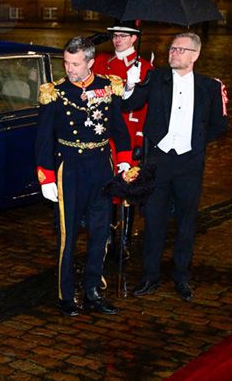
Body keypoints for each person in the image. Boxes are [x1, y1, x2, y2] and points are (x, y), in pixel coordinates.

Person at [124, 32, 228, 302]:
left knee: (186, 223)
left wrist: (194, 143)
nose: (173, 53)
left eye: (180, 50)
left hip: (189, 164)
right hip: (158, 161)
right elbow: (130, 104)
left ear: (195, 55)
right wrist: (131, 84)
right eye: (172, 49)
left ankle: (181, 277)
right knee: (154, 221)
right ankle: (150, 276)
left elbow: (220, 125)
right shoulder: (156, 78)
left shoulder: (210, 87)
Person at [35, 36, 132, 317]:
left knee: (100, 232)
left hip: (101, 166)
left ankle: (92, 291)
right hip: (70, 168)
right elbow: (42, 139)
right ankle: (66, 295)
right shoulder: (55, 92)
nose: (69, 68)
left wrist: (125, 162)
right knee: (67, 234)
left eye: (75, 63)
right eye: (66, 62)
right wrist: (46, 177)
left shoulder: (107, 86)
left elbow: (119, 129)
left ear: (90, 62)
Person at [93, 21, 153, 258]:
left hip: (128, 134)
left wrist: (139, 139)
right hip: (102, 133)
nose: (117, 40)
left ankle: (125, 238)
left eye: (123, 36)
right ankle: (106, 237)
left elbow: (144, 108)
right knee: (105, 185)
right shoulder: (100, 62)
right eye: (115, 35)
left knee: (126, 186)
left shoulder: (144, 67)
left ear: (134, 39)